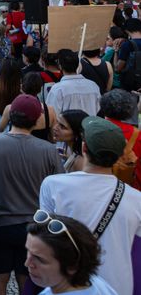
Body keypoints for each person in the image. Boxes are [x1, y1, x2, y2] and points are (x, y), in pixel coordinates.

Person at [39, 116, 141, 295]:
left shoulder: (53, 185)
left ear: (84, 148)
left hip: (69, 284)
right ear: (118, 156)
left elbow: (44, 235)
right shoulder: (136, 198)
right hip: (118, 286)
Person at [0, 94, 64, 295]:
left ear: (11, 115)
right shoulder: (49, 150)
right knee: (30, 279)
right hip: (35, 226)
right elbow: (59, 187)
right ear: (36, 120)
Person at [25, 212, 117, 294]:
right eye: (28, 251)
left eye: (40, 259)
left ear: (72, 266)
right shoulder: (95, 282)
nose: (27, 264)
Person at [47, 49, 101, 116]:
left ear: (60, 66)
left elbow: (52, 113)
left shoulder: (57, 89)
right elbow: (98, 108)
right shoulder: (93, 86)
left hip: (68, 125)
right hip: (89, 125)